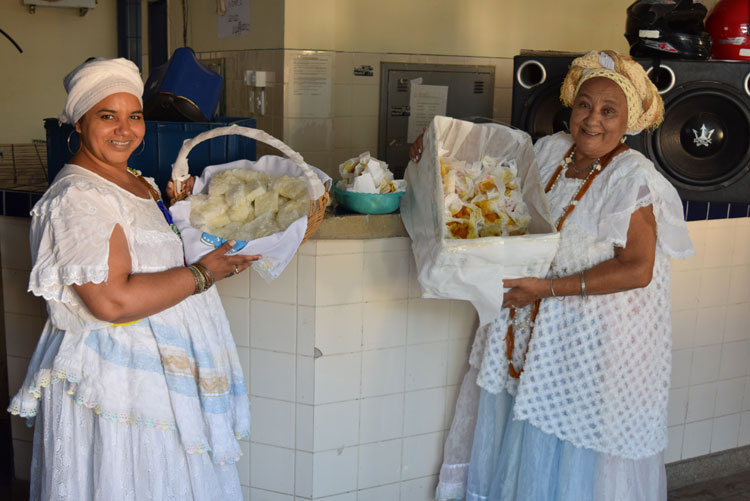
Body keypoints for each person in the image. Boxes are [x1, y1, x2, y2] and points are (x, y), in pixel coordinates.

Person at [411, 50, 694, 501]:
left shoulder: (634, 179)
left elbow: (638, 269)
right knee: (521, 447)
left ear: (631, 121)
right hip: (527, 338)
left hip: (589, 350)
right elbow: (487, 174)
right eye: (584, 104)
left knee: (572, 460)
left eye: (608, 111)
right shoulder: (549, 151)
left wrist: (546, 289)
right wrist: (433, 151)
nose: (592, 119)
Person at [7, 57, 259, 500]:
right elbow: (111, 301)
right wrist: (202, 274)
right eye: (108, 116)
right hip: (118, 386)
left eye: (134, 116)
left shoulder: (137, 182)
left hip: (161, 372)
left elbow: (160, 269)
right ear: (79, 124)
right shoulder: (79, 198)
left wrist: (217, 261)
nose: (125, 129)